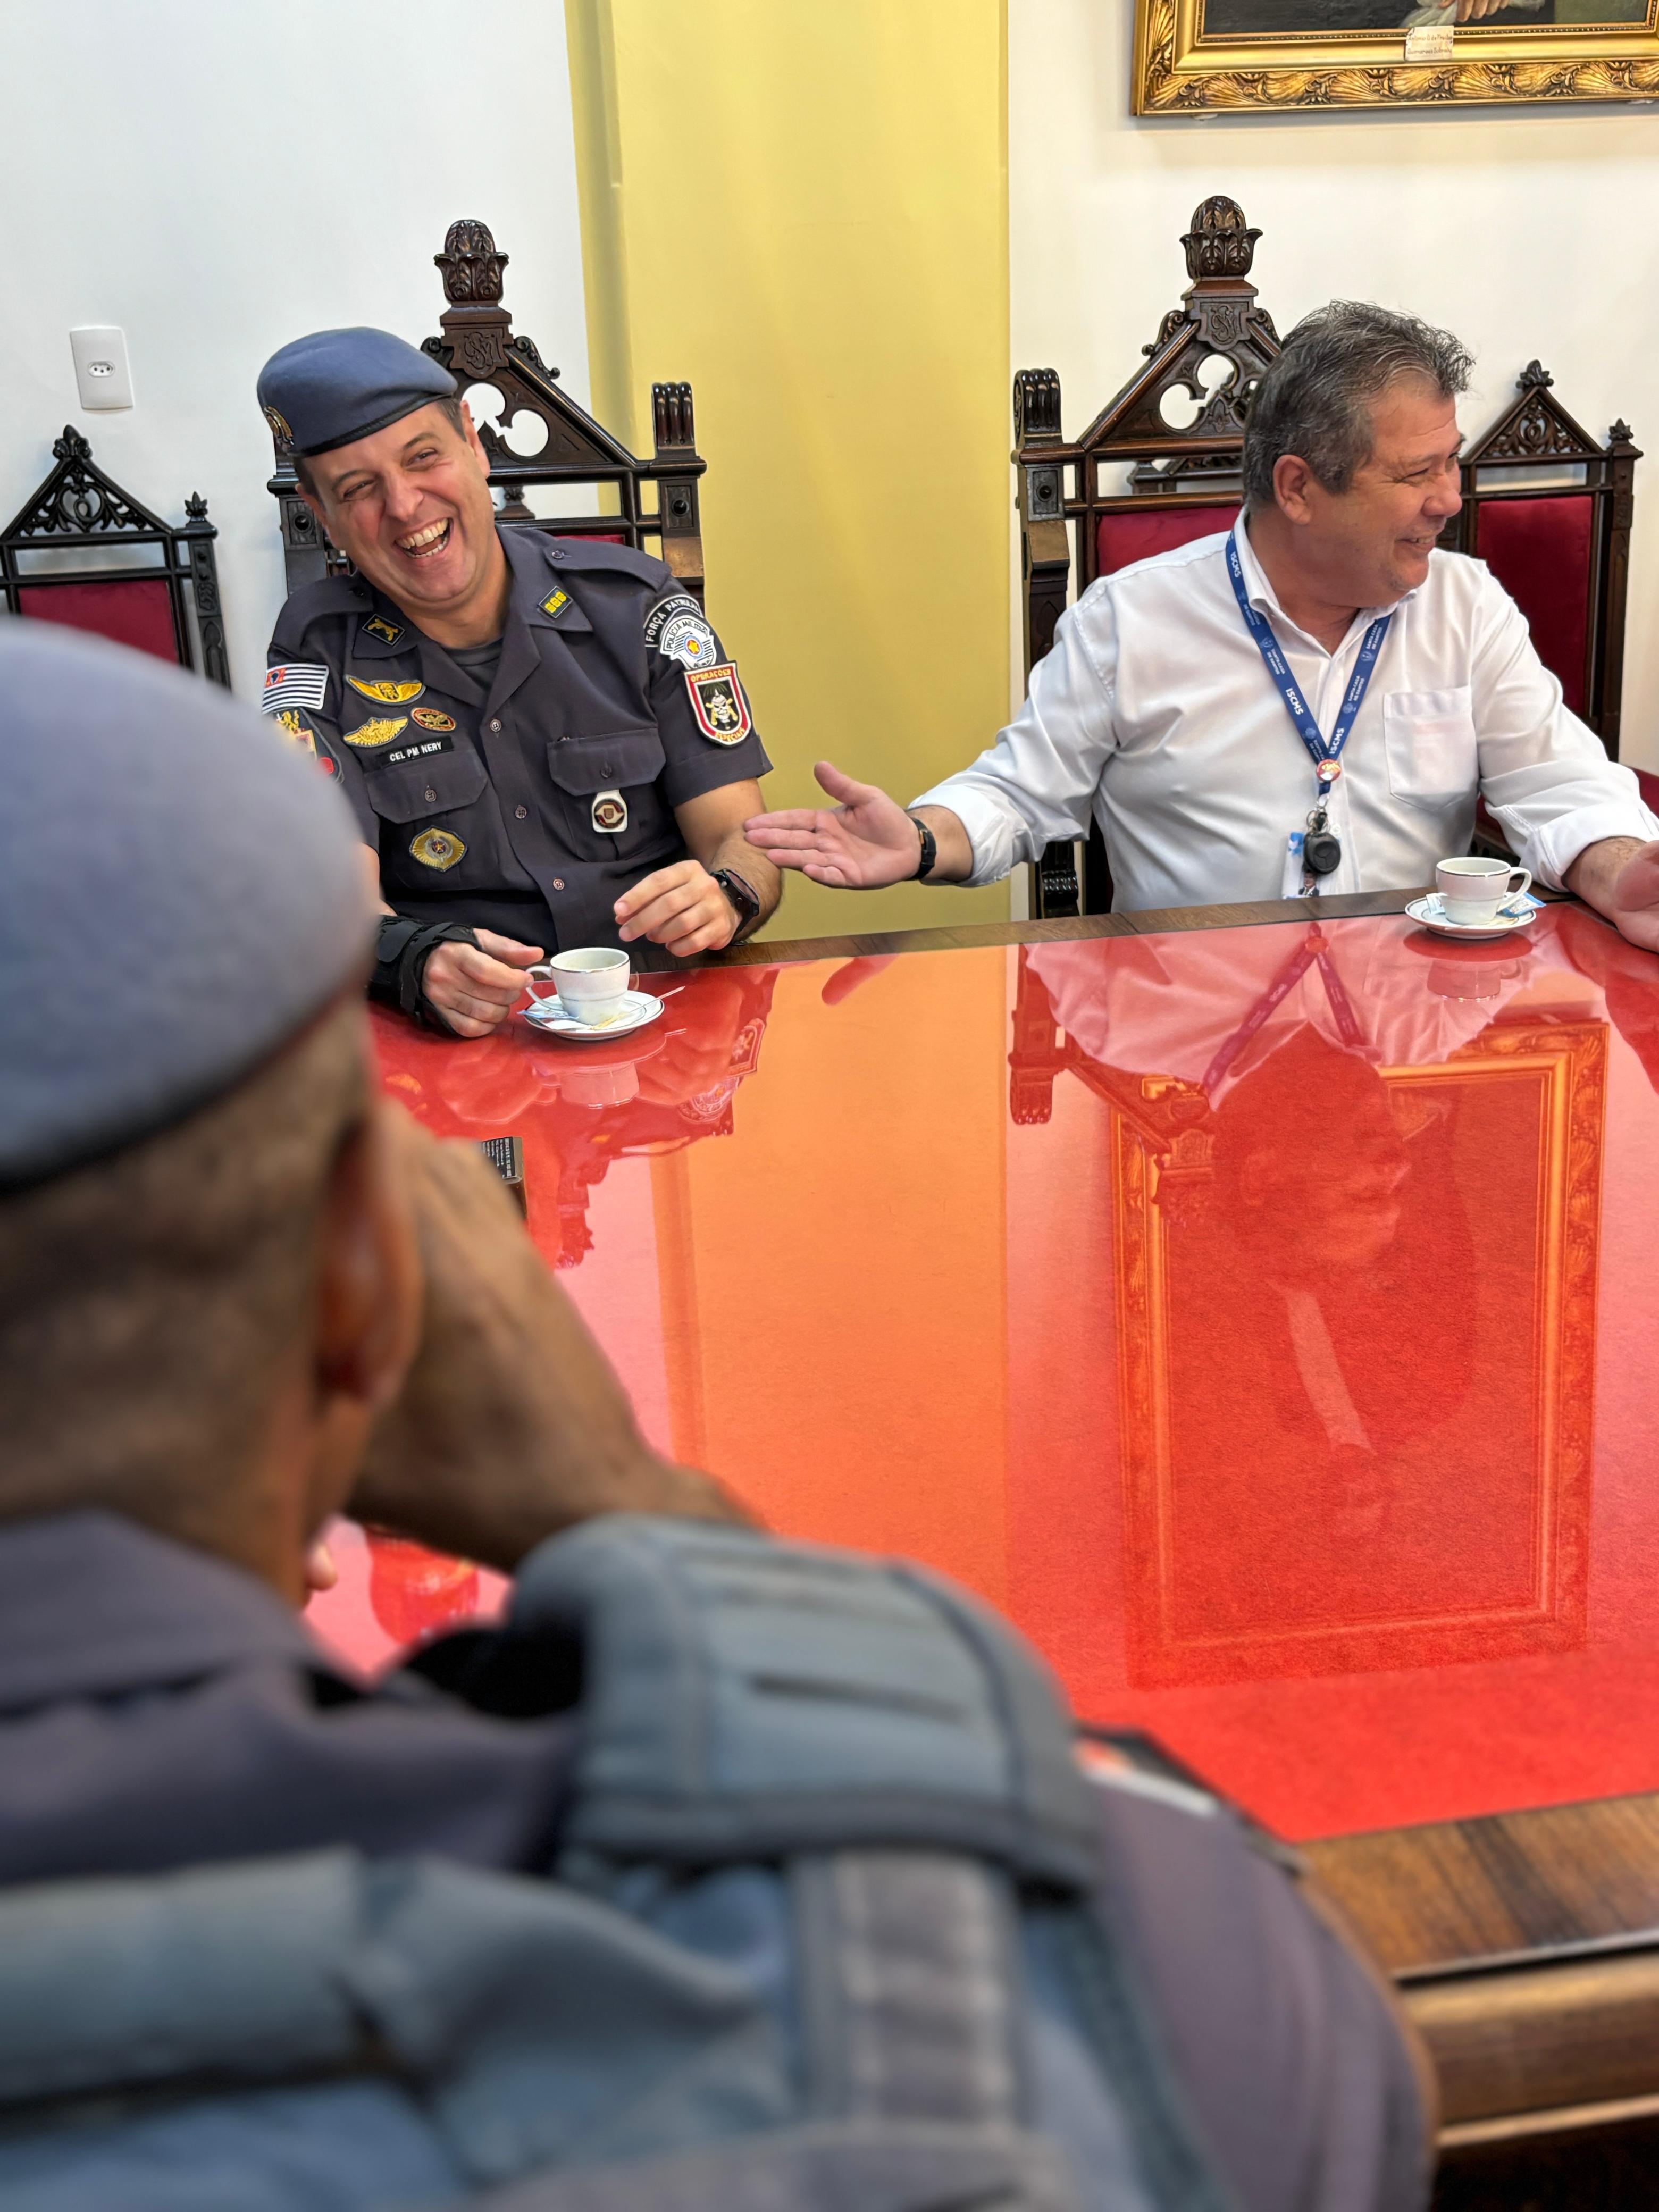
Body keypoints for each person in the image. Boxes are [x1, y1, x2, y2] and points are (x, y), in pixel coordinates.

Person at [0, 628, 1431, 2209]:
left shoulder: (612, 616)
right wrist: (618, 1505)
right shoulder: (1006, 1989)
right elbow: (1294, 2047)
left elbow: (738, 848)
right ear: (367, 1287)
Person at [746, 303, 1659, 952]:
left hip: (1409, 1041)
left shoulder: (1465, 605)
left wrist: (1624, 873)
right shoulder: (1131, 621)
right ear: (1298, 488)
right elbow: (1020, 796)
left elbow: (1562, 786)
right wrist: (920, 838)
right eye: (1417, 474)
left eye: (1450, 464)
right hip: (1191, 1064)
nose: (1450, 501)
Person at [258, 326, 779, 1040]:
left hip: (665, 1016)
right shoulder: (316, 651)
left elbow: (744, 843)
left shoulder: (638, 609)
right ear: (323, 516)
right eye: (359, 489)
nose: (405, 506)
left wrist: (726, 896)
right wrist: (410, 958)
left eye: (423, 457)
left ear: (474, 443)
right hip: (460, 1036)